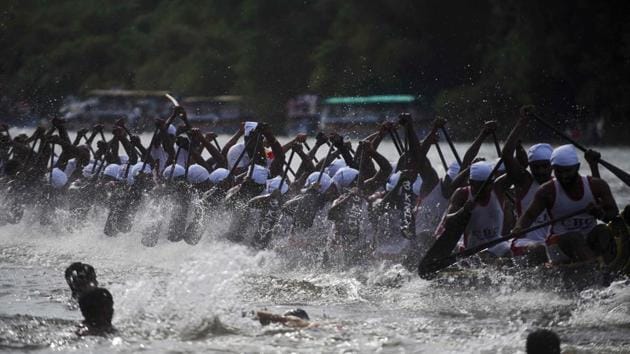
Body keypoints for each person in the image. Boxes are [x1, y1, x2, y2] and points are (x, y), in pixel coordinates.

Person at [513, 144, 618, 264]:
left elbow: (613, 213)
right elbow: (529, 215)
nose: (564, 176)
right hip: (558, 244)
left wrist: (601, 214)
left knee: (603, 231)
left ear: (577, 167)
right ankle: (595, 269)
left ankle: (605, 266)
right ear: (553, 169)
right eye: (559, 171)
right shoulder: (547, 191)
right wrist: (519, 227)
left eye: (568, 171)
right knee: (574, 237)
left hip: (589, 238)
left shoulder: (597, 185)